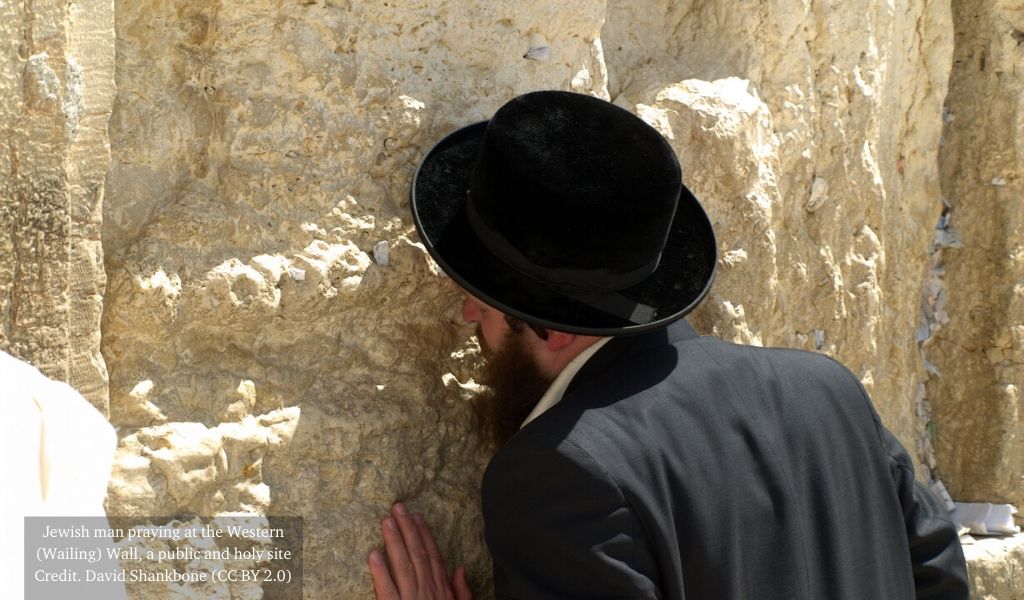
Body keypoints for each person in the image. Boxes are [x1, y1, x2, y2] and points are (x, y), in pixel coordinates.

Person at [367, 91, 969, 599]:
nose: (469, 311)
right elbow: (939, 573)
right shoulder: (826, 389)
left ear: (555, 324)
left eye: (486, 296)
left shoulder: (557, 470)